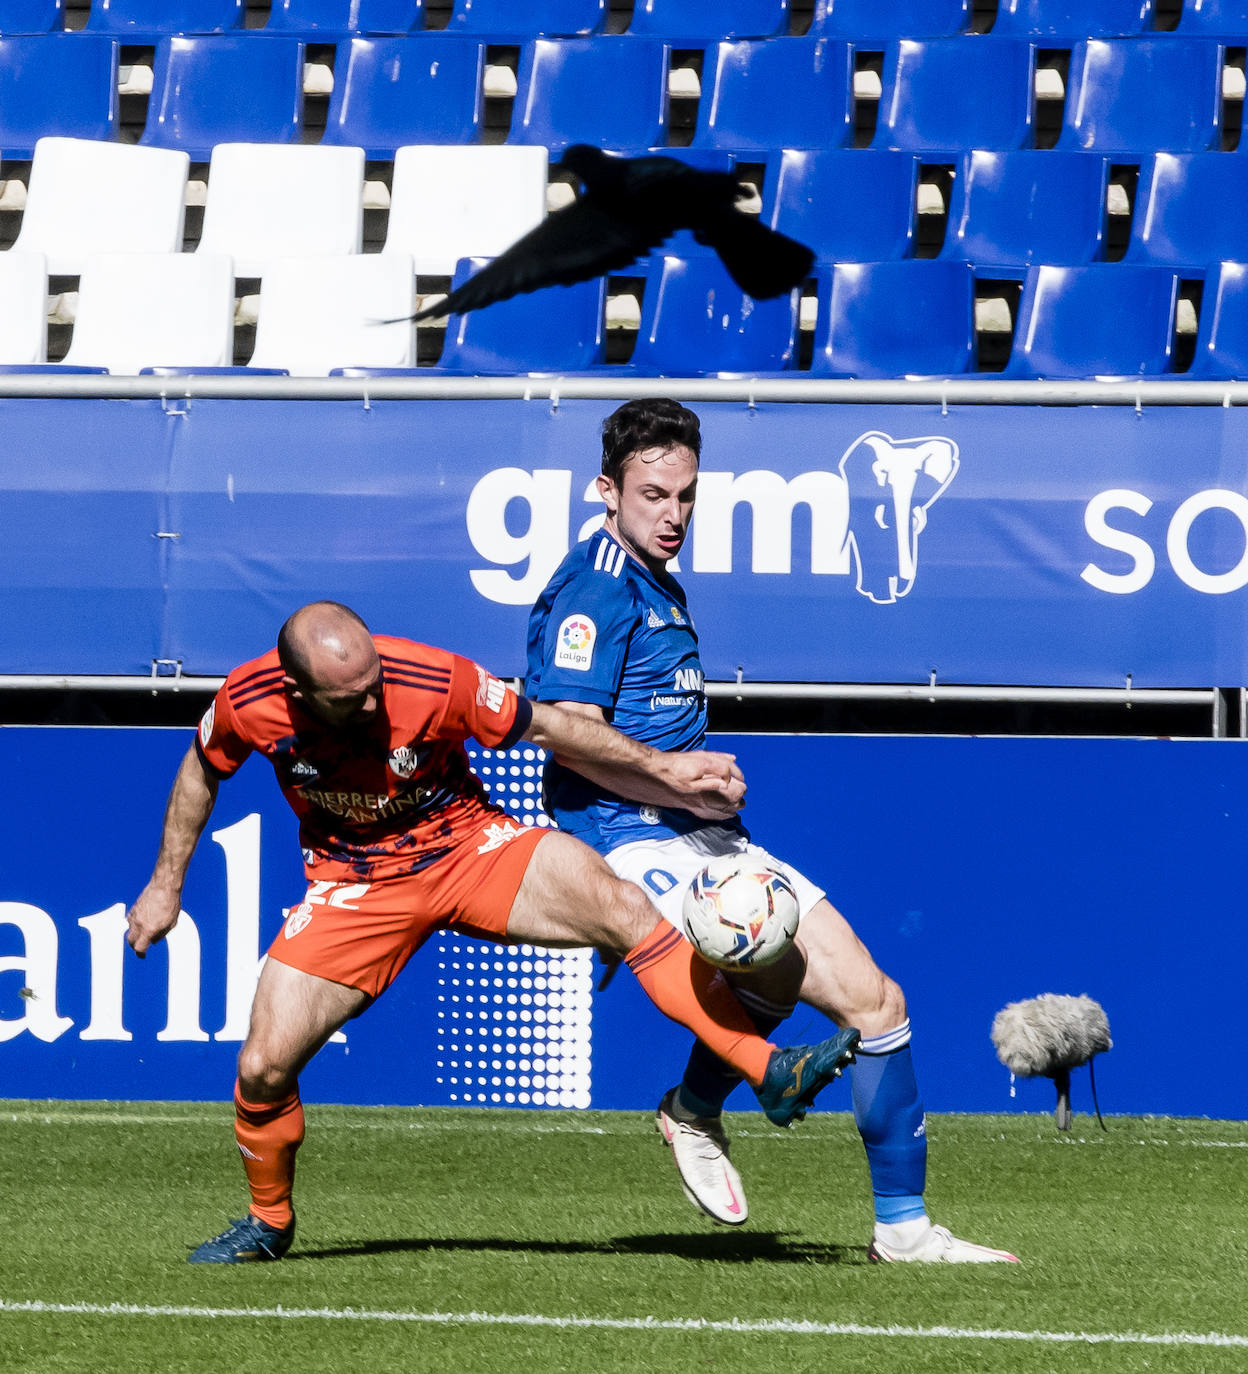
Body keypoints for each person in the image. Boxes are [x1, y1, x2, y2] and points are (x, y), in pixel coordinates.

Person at [126, 600, 860, 1264]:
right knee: (262, 1068)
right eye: (353, 700)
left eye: (377, 682)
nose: (377, 701)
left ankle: (768, 1072)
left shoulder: (433, 679)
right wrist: (166, 885)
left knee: (625, 906)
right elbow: (202, 770)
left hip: (470, 849)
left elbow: (551, 726)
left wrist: (667, 769)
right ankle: (267, 1221)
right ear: (299, 691)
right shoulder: (247, 702)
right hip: (354, 885)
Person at [526, 400, 1018, 1263]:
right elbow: (558, 727)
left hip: (701, 830)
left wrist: (699, 779)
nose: (673, 515)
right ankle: (702, 1105)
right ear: (606, 490)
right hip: (629, 835)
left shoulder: (653, 577)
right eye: (653, 495)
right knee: (773, 965)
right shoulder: (593, 587)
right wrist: (676, 773)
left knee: (878, 1005)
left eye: (686, 495)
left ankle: (898, 1228)